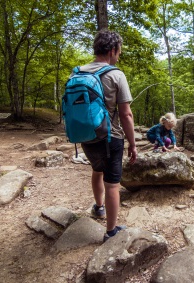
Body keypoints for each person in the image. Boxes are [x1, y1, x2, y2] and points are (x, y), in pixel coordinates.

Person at [78, 30, 137, 242]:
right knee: (113, 184)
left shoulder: (78, 73)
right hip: (111, 137)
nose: (119, 56)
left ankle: (99, 207)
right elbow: (126, 114)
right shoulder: (115, 75)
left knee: (96, 170)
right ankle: (111, 231)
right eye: (119, 52)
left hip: (85, 135)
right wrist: (132, 143)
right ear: (112, 50)